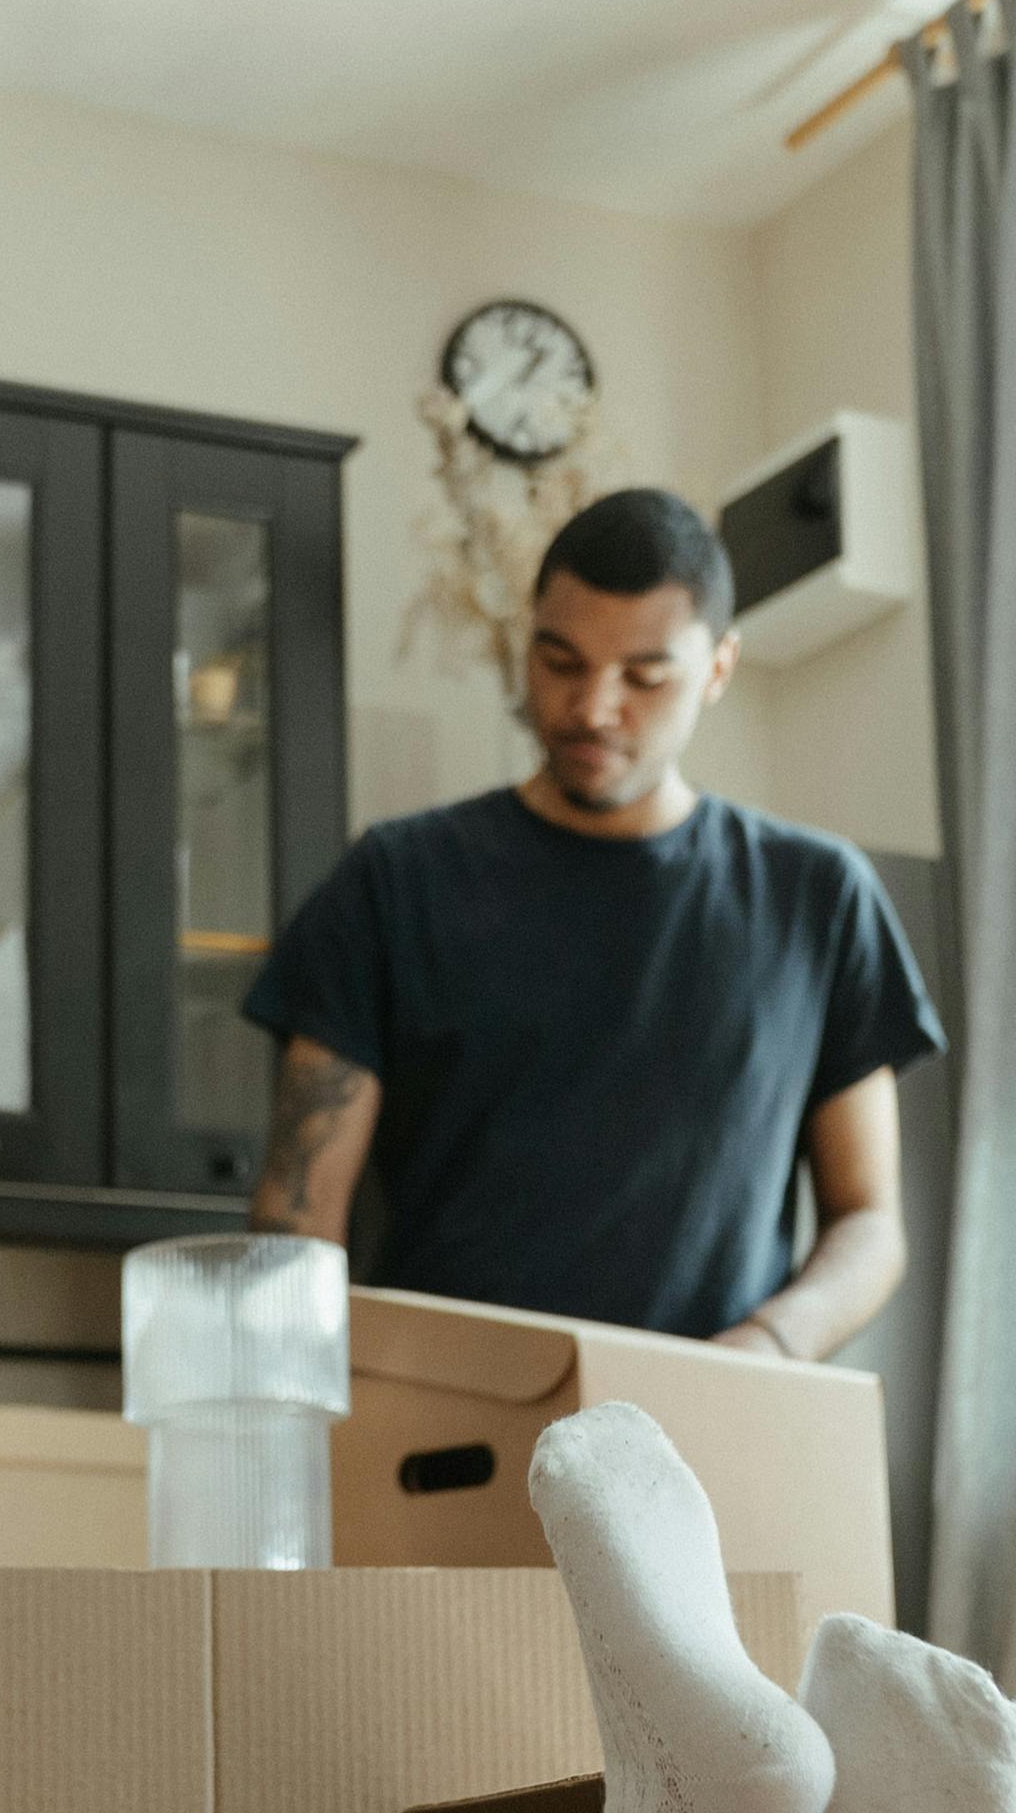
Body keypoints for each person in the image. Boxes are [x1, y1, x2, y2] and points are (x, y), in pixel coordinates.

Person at [243, 487, 942, 1357]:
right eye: (559, 662)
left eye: (644, 678)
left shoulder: (819, 898)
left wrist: (764, 1346)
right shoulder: (392, 882)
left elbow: (870, 1223)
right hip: (449, 1434)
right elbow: (293, 1222)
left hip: (706, 1438)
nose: (592, 708)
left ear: (719, 668)